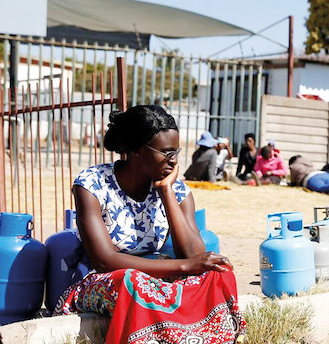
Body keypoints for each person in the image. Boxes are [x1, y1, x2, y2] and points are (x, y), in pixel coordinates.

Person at [56, 106, 245, 343]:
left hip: (158, 276)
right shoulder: (93, 185)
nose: (174, 160)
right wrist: (184, 267)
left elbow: (195, 254)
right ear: (136, 150)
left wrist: (166, 192)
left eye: (176, 151)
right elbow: (105, 261)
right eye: (166, 153)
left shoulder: (178, 191)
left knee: (218, 271)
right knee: (133, 281)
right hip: (110, 281)